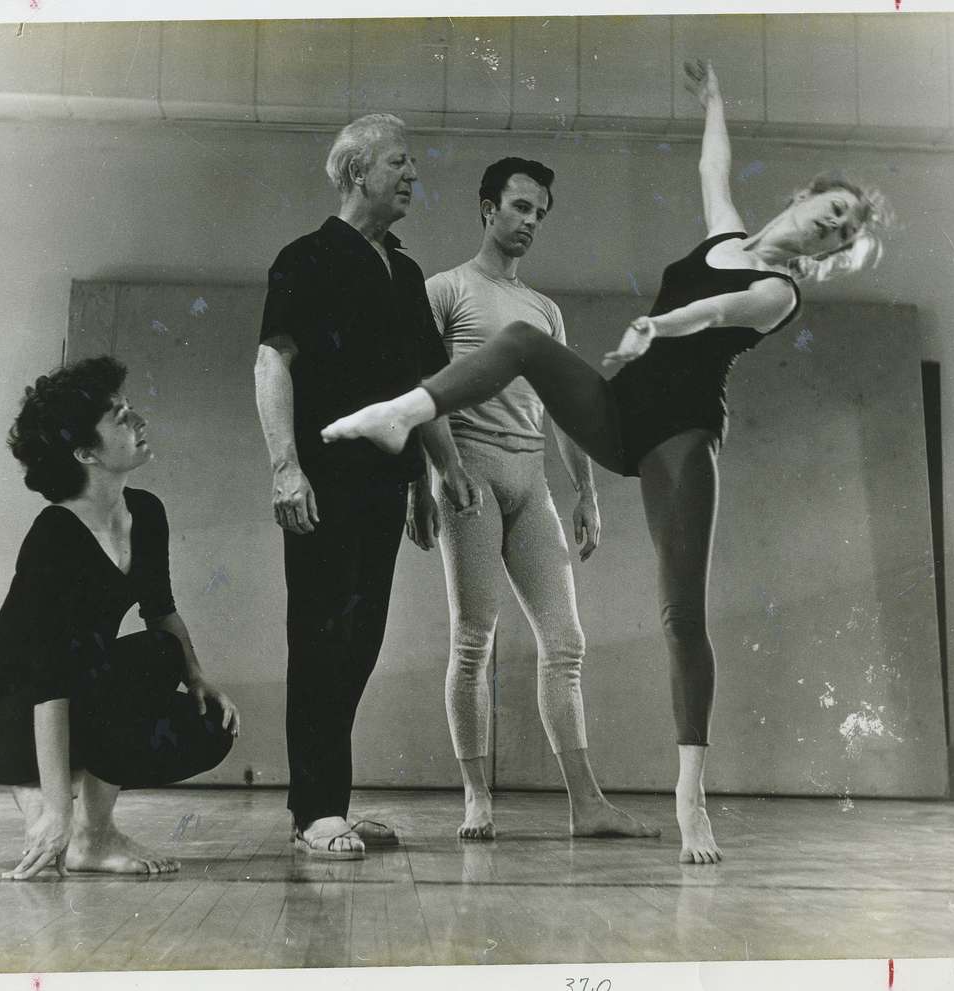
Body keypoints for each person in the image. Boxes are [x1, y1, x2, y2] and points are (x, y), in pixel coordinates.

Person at [321, 61, 891, 864]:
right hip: (618, 420)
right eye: (826, 212)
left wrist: (655, 330)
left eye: (838, 236)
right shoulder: (727, 234)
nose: (823, 232)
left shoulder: (779, 289)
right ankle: (403, 412)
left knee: (678, 616)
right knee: (522, 345)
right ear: (802, 196)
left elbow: (719, 310)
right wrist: (717, 101)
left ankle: (690, 795)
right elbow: (712, 168)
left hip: (679, 440)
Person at [254, 113, 481, 861]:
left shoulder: (406, 272)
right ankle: (314, 810)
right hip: (322, 482)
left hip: (385, 486)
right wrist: (285, 466)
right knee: (320, 642)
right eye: (399, 163)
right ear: (356, 173)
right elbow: (272, 363)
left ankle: (329, 805)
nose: (413, 175)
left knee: (357, 645)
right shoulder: (305, 257)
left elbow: (421, 384)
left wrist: (436, 470)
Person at [414, 157, 657, 841]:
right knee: (473, 642)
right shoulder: (447, 290)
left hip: (530, 480)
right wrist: (429, 476)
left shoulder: (545, 310)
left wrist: (586, 491)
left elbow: (567, 406)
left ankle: (587, 803)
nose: (529, 222)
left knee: (566, 642)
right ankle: (476, 797)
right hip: (469, 474)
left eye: (539, 213)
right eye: (519, 207)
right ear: (488, 207)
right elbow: (421, 387)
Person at [0, 356, 240, 881]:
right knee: (155, 655)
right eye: (121, 417)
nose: (139, 422)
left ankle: (52, 797)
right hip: (1, 718)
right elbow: (49, 682)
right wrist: (59, 814)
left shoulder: (146, 513)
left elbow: (162, 610)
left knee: (207, 727)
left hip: (79, 695)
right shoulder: (54, 535)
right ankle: (89, 832)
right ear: (85, 451)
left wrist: (199, 679)